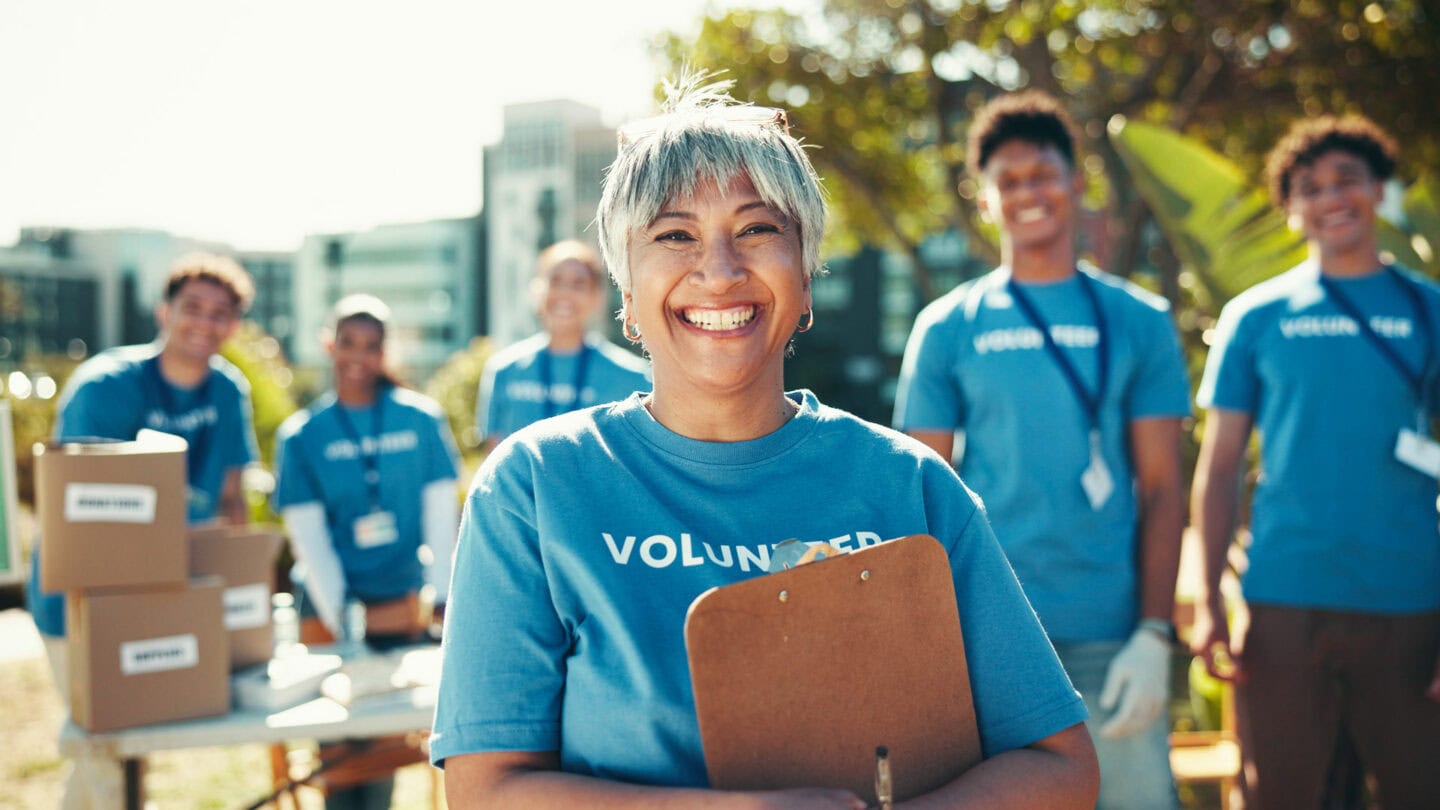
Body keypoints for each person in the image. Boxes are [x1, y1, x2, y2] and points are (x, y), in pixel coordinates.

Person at [431, 75, 1098, 809]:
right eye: (674, 234)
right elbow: (485, 790)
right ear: (625, 293)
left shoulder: (911, 484)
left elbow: (1058, 766)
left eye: (756, 229)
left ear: (806, 278)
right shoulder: (534, 487)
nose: (718, 272)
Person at [893, 90, 1190, 810]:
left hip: (1110, 637)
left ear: (1076, 180)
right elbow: (916, 493)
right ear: (985, 198)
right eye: (1009, 180)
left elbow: (1162, 488)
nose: (1028, 192)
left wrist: (1155, 633)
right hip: (989, 638)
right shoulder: (947, 326)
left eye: (1044, 173)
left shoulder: (1140, 320)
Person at [1190, 113, 1440, 808]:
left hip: (1411, 603)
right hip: (1283, 604)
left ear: (1379, 191)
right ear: (1291, 210)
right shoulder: (1255, 316)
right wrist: (1209, 600)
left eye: (1348, 180)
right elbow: (1219, 468)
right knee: (1282, 796)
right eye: (1311, 187)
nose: (1332, 197)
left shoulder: (1429, 310)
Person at [26, 251, 259, 809]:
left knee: (130, 755)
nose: (205, 322)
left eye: (221, 312)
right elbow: (81, 513)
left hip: (165, 594)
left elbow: (232, 502)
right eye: (192, 307)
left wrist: (238, 591)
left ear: (235, 324)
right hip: (83, 601)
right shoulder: (105, 387)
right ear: (163, 310)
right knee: (104, 751)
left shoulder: (228, 392)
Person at [273, 293, 462, 810]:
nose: (359, 355)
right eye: (348, 343)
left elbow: (441, 522)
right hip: (329, 608)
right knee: (337, 752)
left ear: (386, 351)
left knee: (381, 750)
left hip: (404, 604)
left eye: (372, 345)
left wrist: (439, 600)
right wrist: (351, 619)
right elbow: (308, 544)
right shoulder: (302, 436)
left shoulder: (421, 420)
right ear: (328, 345)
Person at [475, 238, 650, 450]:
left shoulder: (632, 377)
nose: (565, 293)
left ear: (597, 297)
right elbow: (493, 462)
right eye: (555, 281)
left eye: (579, 284)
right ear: (535, 290)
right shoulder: (504, 370)